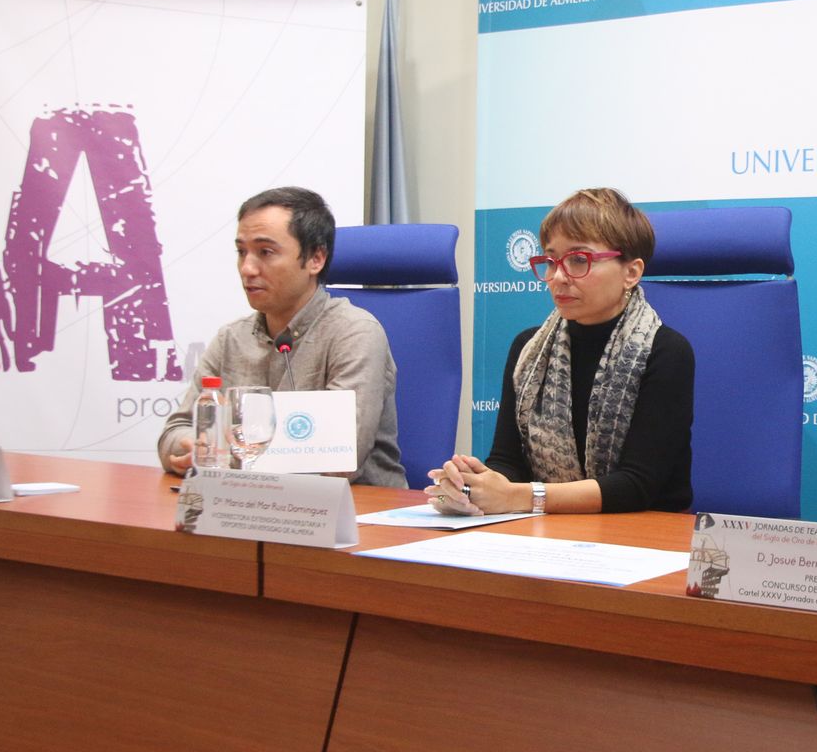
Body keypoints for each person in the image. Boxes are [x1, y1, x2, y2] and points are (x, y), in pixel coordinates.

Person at [428, 188, 693, 516]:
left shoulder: (665, 351)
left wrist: (519, 497)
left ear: (631, 272)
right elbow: (509, 463)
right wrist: (476, 486)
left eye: (579, 260)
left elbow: (636, 485)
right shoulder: (529, 350)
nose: (557, 277)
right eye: (551, 261)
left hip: (645, 534)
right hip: (552, 530)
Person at [157, 186, 405, 486]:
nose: (247, 268)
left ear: (316, 258)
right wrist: (189, 447)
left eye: (266, 252)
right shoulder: (231, 339)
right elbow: (175, 431)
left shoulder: (355, 333)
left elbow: (340, 463)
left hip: (358, 516)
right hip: (247, 508)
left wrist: (223, 452)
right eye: (241, 252)